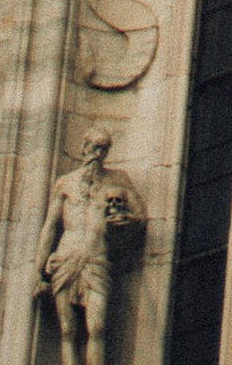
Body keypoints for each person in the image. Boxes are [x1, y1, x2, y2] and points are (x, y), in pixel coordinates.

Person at [32, 132, 141, 365]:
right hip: (66, 257)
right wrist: (38, 270)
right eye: (94, 147)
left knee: (97, 326)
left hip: (96, 259)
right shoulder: (65, 183)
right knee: (68, 329)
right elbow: (50, 227)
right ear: (84, 148)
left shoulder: (118, 181)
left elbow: (139, 216)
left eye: (103, 149)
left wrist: (127, 219)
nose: (97, 153)